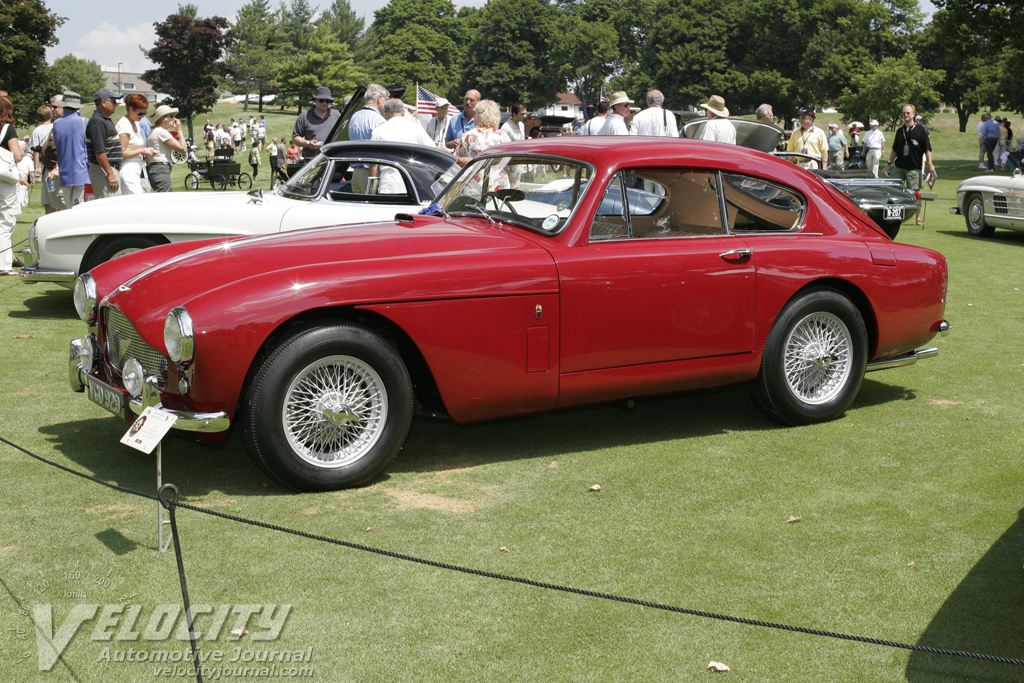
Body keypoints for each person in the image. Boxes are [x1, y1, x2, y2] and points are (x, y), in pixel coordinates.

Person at [883, 104, 935, 225]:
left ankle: (918, 218)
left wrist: (930, 164)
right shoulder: (900, 131)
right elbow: (895, 149)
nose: (906, 115)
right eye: (904, 113)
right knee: (895, 190)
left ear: (913, 114)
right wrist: (889, 163)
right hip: (899, 166)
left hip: (914, 168)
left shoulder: (921, 130)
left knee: (915, 194)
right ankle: (895, 216)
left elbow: (927, 149)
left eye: (908, 113)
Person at [50, 91, 88, 210]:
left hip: (64, 172)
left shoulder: (56, 124)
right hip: (82, 171)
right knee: (81, 209)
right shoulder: (84, 121)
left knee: (68, 208)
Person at [0, 95, 24, 275]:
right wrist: (22, 148)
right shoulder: (7, 129)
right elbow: (17, 156)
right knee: (5, 222)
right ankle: (3, 265)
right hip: (4, 180)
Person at [86, 88, 124, 198]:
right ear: (103, 102)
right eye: (113, 101)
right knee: (110, 207)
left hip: (108, 169)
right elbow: (99, 151)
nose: (116, 104)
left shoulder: (103, 120)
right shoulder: (97, 121)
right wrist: (110, 173)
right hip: (103, 170)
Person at [116, 94, 154, 195]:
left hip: (137, 167)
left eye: (144, 113)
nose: (142, 116)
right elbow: (121, 153)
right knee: (138, 202)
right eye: (140, 113)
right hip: (128, 169)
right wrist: (142, 150)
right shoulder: (124, 125)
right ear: (130, 109)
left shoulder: (135, 122)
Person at [456, 100, 511, 166]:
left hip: (476, 175)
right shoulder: (504, 135)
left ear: (480, 115)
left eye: (475, 113)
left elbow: (457, 160)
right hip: (498, 175)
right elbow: (510, 162)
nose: (474, 116)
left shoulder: (469, 135)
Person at [292, 86, 342, 160]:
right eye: (321, 100)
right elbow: (295, 138)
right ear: (315, 100)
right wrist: (308, 144)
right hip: (311, 161)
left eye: (327, 101)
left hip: (332, 159)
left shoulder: (337, 115)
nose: (324, 103)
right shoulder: (304, 116)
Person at [147, 105, 188, 192]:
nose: (175, 119)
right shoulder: (161, 132)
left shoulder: (154, 131)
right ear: (163, 118)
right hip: (160, 168)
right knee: (165, 198)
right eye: (171, 116)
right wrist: (179, 130)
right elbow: (182, 149)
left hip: (155, 168)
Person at [371, 98, 435, 147]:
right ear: (403, 112)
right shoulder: (417, 128)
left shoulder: (377, 131)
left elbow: (373, 160)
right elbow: (433, 148)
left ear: (385, 113)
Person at [29, 104, 55, 213]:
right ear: (50, 115)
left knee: (47, 197)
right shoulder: (55, 126)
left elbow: (36, 151)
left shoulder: (37, 131)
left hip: (45, 166)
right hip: (56, 164)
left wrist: (36, 168)